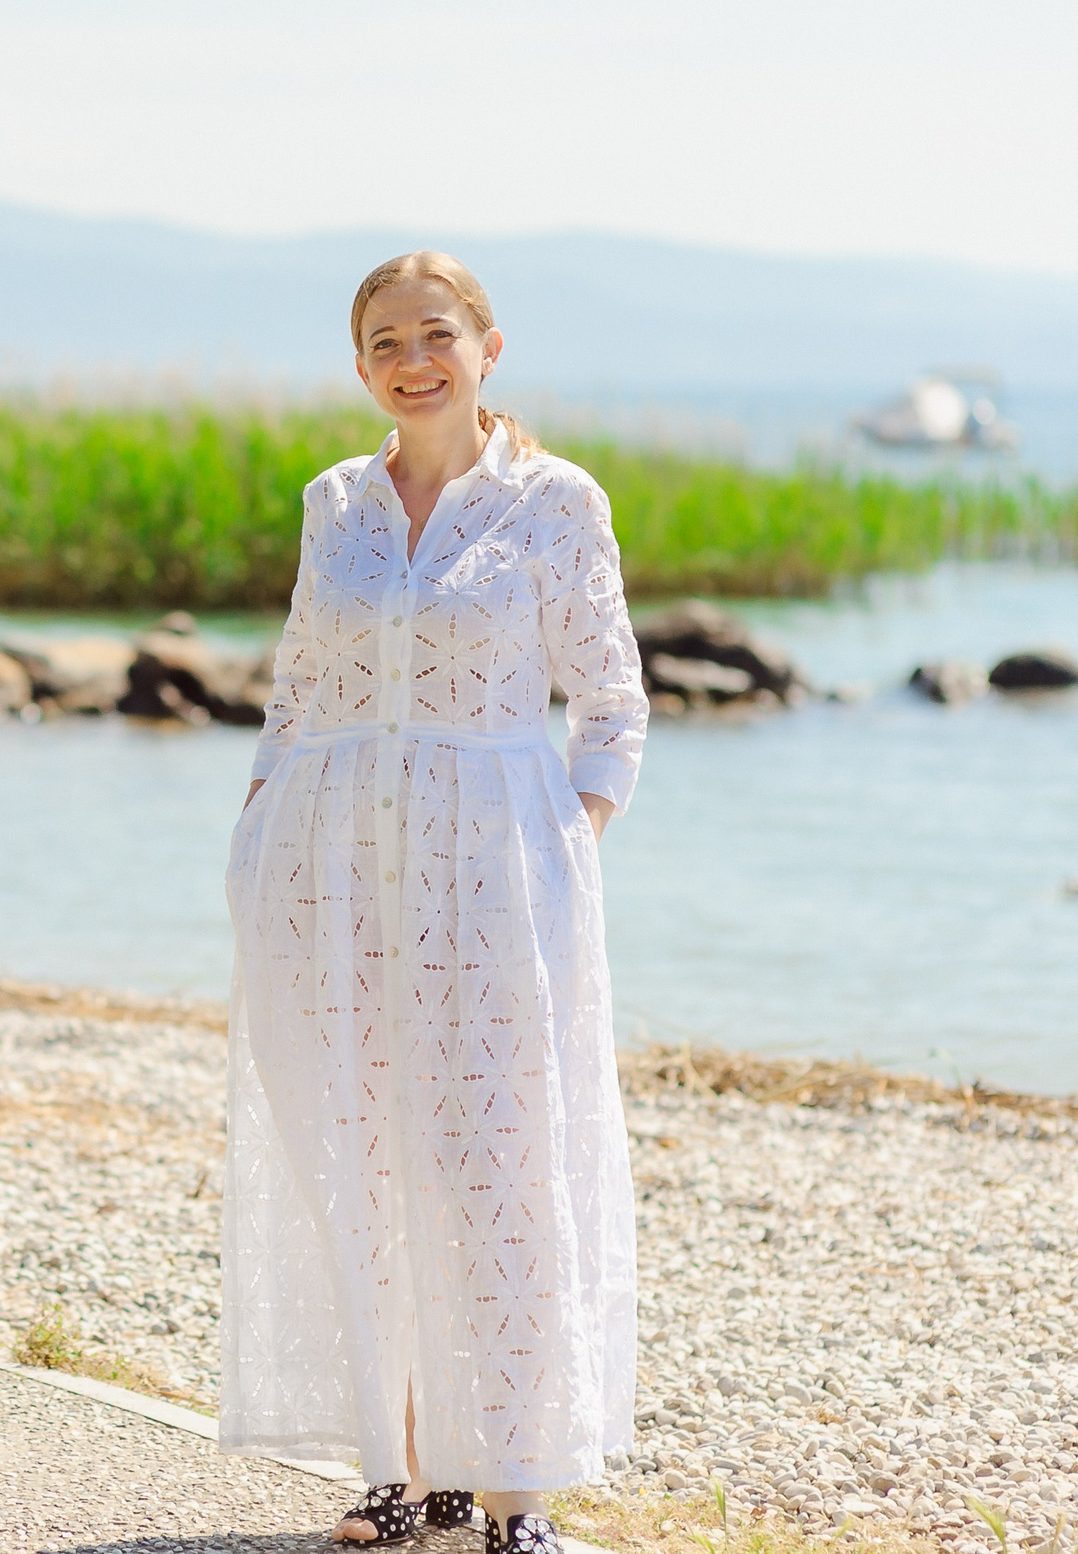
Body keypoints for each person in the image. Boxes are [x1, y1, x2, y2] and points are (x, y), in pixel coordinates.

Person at [219, 252, 647, 1554]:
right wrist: (256, 831)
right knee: (361, 1162)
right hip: (326, 875)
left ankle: (516, 1492)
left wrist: (571, 836)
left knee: (501, 1169)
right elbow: (299, 685)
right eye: (386, 341)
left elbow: (612, 702)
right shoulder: (334, 503)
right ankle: (404, 1471)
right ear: (361, 367)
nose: (415, 358)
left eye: (437, 334)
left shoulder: (555, 501)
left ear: (488, 346)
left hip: (499, 884)